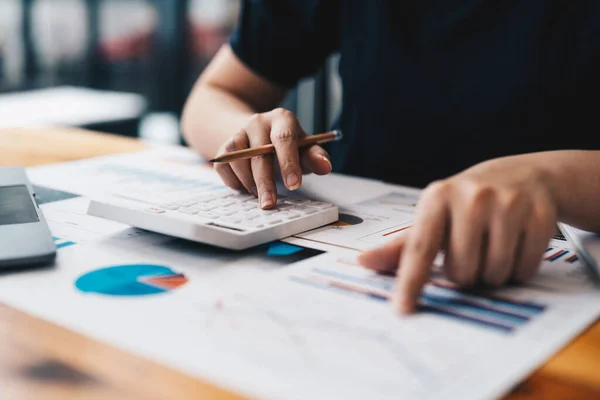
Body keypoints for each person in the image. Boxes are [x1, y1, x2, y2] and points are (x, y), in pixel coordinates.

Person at [181, 1, 600, 315]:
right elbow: (213, 97)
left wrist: (549, 178)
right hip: (341, 252)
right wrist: (245, 139)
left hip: (542, 269)